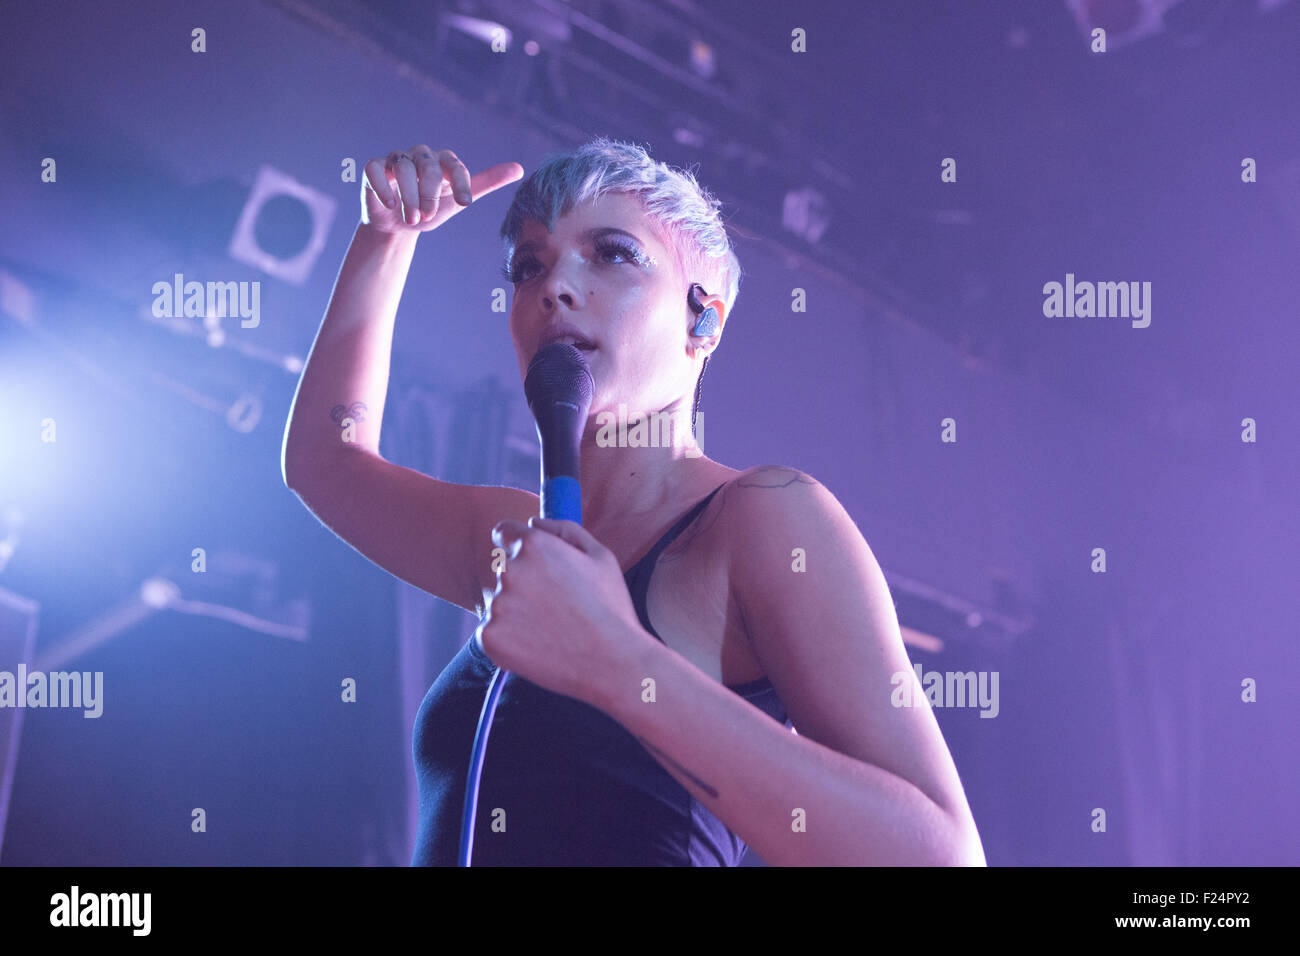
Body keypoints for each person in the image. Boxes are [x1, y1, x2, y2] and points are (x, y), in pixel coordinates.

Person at [281, 136, 986, 866]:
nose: (554, 286)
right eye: (530, 265)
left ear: (702, 319)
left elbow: (938, 855)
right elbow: (325, 464)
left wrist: (617, 661)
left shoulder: (762, 518)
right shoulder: (523, 542)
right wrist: (385, 239)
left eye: (612, 253)